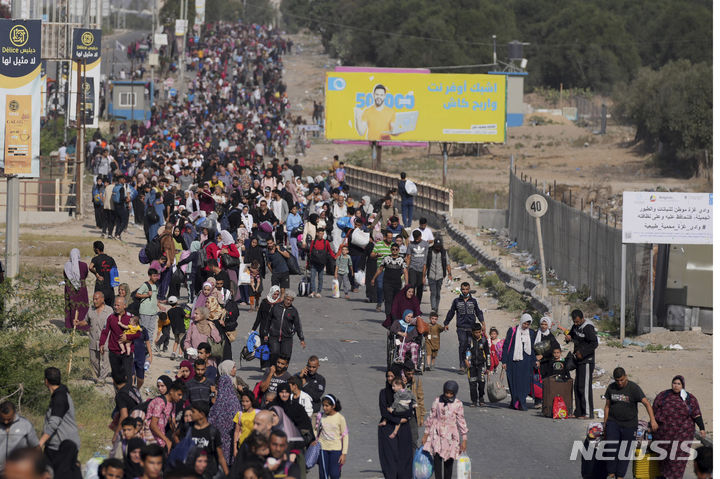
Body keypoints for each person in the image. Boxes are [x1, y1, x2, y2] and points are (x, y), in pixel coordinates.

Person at [603, 367, 658, 479]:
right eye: (617, 380)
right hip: (613, 422)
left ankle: (620, 476)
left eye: (622, 380)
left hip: (629, 425)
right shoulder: (611, 388)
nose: (620, 383)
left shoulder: (634, 388)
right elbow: (607, 406)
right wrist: (605, 423)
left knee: (625, 450)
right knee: (610, 447)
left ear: (626, 376)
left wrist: (653, 420)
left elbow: (647, 403)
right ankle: (611, 473)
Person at [652, 375, 706, 479]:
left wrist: (702, 428)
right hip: (664, 434)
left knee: (678, 459)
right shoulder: (663, 395)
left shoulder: (689, 398)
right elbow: (654, 411)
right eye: (674, 383)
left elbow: (697, 414)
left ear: (683, 385)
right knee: (665, 458)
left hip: (683, 434)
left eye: (678, 384)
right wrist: (652, 425)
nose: (676, 386)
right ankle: (665, 476)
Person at [38, 367, 81, 479]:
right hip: (54, 445)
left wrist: (40, 443)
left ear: (46, 381)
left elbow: (53, 423)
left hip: (63, 447)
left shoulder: (60, 398)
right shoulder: (60, 393)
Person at [421, 380, 468, 479]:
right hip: (437, 434)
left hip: (451, 436)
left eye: (451, 393)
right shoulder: (438, 401)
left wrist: (464, 439)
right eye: (447, 392)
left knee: (448, 462)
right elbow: (431, 417)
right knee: (437, 461)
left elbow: (461, 421)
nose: (448, 395)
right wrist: (425, 434)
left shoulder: (458, 404)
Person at [378, 365, 413, 479]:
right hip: (388, 428)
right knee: (390, 460)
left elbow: (409, 411)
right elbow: (384, 411)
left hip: (404, 429)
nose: (389, 378)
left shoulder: (406, 392)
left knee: (404, 460)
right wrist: (399, 418)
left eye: (392, 376)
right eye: (388, 376)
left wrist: (397, 415)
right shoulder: (383, 393)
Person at [564, 309, 598, 419]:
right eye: (574, 322)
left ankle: (588, 413)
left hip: (587, 361)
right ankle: (578, 412)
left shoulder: (588, 327)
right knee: (577, 386)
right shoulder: (575, 326)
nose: (576, 324)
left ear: (582, 318)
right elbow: (571, 334)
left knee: (585, 387)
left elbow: (594, 343)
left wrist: (582, 353)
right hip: (578, 361)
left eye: (578, 321)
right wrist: (568, 338)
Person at [444, 282, 484, 374]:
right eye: (463, 289)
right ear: (461, 290)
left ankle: (468, 364)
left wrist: (483, 323)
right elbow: (451, 312)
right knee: (462, 345)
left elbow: (478, 312)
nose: (465, 291)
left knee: (469, 346)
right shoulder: (456, 301)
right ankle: (462, 365)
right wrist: (446, 322)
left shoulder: (473, 301)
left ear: (469, 289)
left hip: (471, 328)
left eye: (466, 289)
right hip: (461, 327)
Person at [99, 297, 141, 383]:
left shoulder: (132, 318)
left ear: (124, 305)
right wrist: (101, 344)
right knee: (117, 376)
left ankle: (129, 391)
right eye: (115, 305)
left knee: (128, 375)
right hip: (113, 351)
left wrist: (128, 338)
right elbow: (105, 331)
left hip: (127, 352)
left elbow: (138, 334)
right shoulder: (110, 317)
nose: (116, 307)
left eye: (118, 305)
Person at [74, 291, 112, 383]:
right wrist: (78, 323)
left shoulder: (109, 310)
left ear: (102, 299)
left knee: (105, 361)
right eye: (93, 299)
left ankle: (101, 379)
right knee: (93, 360)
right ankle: (100, 375)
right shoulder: (91, 309)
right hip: (93, 339)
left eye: (96, 299)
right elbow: (86, 321)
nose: (94, 301)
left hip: (105, 340)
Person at [501, 313, 536, 411]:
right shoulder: (513, 331)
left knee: (524, 383)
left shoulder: (531, 333)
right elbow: (506, 346)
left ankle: (522, 403)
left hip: (526, 362)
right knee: (514, 382)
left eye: (528, 324)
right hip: (513, 362)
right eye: (525, 323)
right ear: (521, 321)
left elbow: (532, 349)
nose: (526, 326)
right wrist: (504, 361)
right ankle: (515, 402)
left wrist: (535, 360)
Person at [209, 375, 242, 468]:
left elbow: (211, 419)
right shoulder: (235, 401)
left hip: (219, 437)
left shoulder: (218, 402)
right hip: (232, 435)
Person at [371, 243, 408, 325]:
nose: (394, 251)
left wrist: (407, 284)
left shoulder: (401, 260)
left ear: (398, 250)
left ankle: (394, 318)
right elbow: (380, 269)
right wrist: (373, 278)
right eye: (393, 249)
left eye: (396, 249)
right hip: (387, 283)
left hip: (397, 284)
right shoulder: (386, 259)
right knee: (388, 301)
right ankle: (388, 317)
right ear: (391, 250)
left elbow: (405, 272)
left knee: (396, 301)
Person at [189, 401, 229, 477]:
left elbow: (221, 457)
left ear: (202, 414)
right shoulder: (188, 428)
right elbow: (176, 436)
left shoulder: (213, 432)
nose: (191, 414)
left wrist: (228, 475)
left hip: (208, 473)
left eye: (193, 412)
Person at [144, 379, 185, 451]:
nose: (180, 397)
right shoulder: (160, 402)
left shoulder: (173, 404)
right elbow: (153, 425)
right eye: (179, 394)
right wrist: (166, 440)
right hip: (151, 437)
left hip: (160, 436)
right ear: (171, 391)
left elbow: (172, 422)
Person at [0, 401, 39, 471]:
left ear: (14, 414)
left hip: (19, 470)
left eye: (9, 419)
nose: (6, 422)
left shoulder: (25, 425)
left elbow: (35, 447)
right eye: (3, 419)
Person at [316, 394, 348, 479]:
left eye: (327, 405)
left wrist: (344, 454)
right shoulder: (320, 416)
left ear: (333, 406)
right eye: (323, 405)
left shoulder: (340, 418)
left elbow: (345, 436)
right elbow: (316, 430)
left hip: (336, 450)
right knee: (323, 475)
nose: (324, 408)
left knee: (335, 474)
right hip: (322, 449)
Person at [268, 291, 305, 359]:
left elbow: (298, 325)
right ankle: (272, 367)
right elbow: (269, 320)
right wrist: (265, 333)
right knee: (274, 352)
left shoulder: (293, 311)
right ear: (284, 298)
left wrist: (301, 339)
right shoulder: (276, 307)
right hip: (274, 335)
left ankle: (283, 369)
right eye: (287, 299)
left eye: (290, 300)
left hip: (287, 337)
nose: (288, 302)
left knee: (286, 355)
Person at [63, 248, 90, 330]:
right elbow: (85, 275)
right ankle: (82, 327)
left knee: (70, 307)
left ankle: (69, 326)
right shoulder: (84, 265)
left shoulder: (67, 265)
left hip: (70, 289)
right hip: (81, 289)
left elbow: (65, 277)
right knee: (82, 307)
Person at [465, 323, 491, 407]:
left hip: (481, 365)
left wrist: (488, 367)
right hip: (471, 366)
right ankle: (474, 401)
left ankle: (481, 398)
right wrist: (466, 361)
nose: (477, 334)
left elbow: (487, 354)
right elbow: (464, 351)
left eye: (479, 332)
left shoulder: (484, 341)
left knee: (481, 382)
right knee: (472, 383)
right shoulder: (469, 340)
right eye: (476, 332)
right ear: (472, 332)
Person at [307, 228, 335, 298]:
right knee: (312, 277)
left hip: (322, 263)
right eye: (320, 233)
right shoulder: (313, 242)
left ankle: (319, 292)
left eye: (322, 234)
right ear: (317, 233)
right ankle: (313, 291)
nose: (321, 235)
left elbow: (330, 251)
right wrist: (307, 264)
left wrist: (335, 257)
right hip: (314, 263)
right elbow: (310, 253)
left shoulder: (326, 242)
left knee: (320, 278)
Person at [136, 268, 161, 345]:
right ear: (150, 276)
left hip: (153, 312)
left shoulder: (156, 286)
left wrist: (159, 306)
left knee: (151, 330)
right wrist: (147, 295)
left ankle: (148, 347)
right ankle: (141, 346)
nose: (156, 277)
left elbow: (154, 298)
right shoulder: (145, 285)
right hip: (145, 312)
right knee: (143, 330)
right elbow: (137, 294)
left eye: (156, 276)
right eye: (154, 276)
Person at [425, 237, 451, 313]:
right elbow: (425, 264)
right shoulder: (429, 251)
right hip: (431, 275)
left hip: (440, 276)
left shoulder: (443, 252)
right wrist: (423, 276)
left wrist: (450, 274)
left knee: (438, 293)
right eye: (436, 246)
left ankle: (436, 307)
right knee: (433, 292)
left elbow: (447, 264)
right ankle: (433, 308)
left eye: (439, 246)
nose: (438, 248)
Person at [90, 240, 117, 306]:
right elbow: (115, 273)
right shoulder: (111, 259)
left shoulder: (96, 259)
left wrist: (96, 274)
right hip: (109, 287)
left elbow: (90, 267)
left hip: (100, 287)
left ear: (96, 249)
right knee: (110, 308)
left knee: (98, 306)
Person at [233, 391, 260, 457]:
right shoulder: (239, 414)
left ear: (252, 402)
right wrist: (235, 448)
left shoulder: (258, 413)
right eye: (243, 401)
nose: (244, 403)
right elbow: (236, 431)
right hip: (242, 446)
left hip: (255, 446)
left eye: (247, 401)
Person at [405, 230, 428, 303]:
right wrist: (407, 268)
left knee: (420, 287)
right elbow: (408, 256)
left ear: (421, 236)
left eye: (418, 238)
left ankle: (417, 304)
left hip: (422, 268)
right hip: (413, 268)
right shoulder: (411, 245)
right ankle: (411, 302)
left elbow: (426, 257)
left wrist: (425, 273)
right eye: (415, 239)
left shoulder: (425, 244)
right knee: (412, 286)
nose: (417, 240)